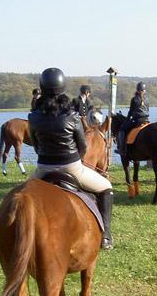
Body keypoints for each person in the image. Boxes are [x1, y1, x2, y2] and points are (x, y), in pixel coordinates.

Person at [29, 68, 114, 250]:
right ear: (63, 87)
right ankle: (106, 235)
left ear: (41, 87)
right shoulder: (73, 116)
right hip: (72, 168)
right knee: (106, 188)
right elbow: (82, 147)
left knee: (20, 195)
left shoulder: (33, 117)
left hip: (43, 169)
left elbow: (36, 146)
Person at [116, 81, 150, 157]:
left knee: (122, 129)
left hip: (137, 121)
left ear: (137, 90)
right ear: (144, 90)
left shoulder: (134, 99)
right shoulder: (147, 99)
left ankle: (121, 149)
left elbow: (131, 112)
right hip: (146, 120)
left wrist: (126, 120)